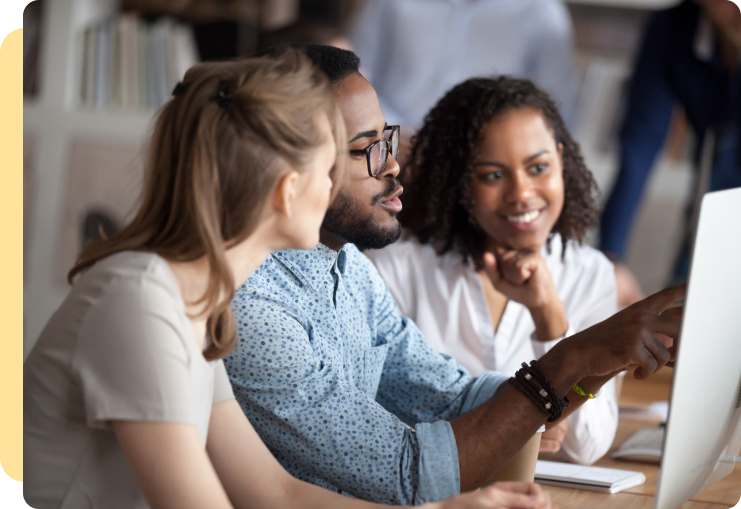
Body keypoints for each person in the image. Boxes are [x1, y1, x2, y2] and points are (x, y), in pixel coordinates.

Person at [23, 50, 555, 509]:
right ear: (286, 189)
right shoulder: (140, 299)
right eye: (329, 168)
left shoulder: (195, 301)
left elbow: (275, 493)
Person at [227, 44, 684, 505]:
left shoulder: (350, 271)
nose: (392, 164)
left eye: (386, 140)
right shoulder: (254, 309)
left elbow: (464, 401)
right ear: (291, 168)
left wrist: (605, 355)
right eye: (367, 149)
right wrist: (579, 354)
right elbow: (403, 472)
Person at [366, 76, 617, 466]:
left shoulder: (588, 272)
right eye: (494, 175)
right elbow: (370, 420)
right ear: (459, 182)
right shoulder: (398, 266)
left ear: (561, 161)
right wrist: (513, 421)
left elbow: (589, 445)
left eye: (538, 167)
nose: (521, 192)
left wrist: (549, 316)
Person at [599, 0, 741, 306]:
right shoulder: (674, 30)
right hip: (708, 211)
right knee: (681, 323)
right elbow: (639, 146)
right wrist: (610, 259)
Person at [346, 0, 577, 132]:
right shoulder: (388, 3)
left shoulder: (542, 12)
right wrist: (395, 132)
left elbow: (553, 108)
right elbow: (353, 76)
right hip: (390, 150)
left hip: (483, 163)